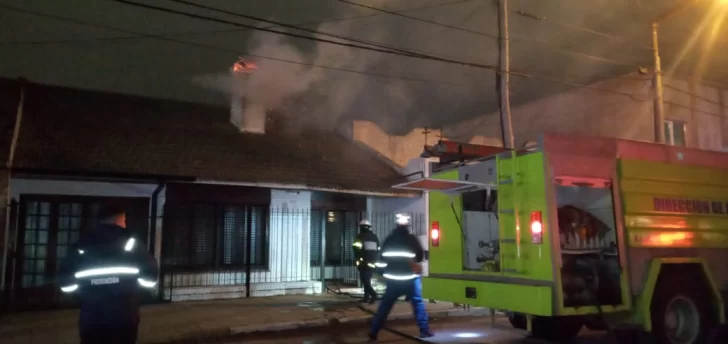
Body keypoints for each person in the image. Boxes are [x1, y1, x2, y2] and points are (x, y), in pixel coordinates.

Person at [58, 205, 159, 344]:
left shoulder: (81, 245)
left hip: (92, 317)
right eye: (124, 220)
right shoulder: (133, 244)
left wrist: (86, 291)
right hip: (124, 316)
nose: (125, 223)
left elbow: (66, 285)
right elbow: (150, 280)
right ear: (118, 220)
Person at [368, 214, 433, 341]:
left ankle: (374, 331)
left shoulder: (389, 239)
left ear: (396, 225)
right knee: (418, 304)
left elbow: (381, 259)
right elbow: (420, 257)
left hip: (393, 281)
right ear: (407, 225)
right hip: (410, 279)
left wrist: (381, 273)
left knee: (385, 307)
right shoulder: (412, 239)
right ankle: (424, 331)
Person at [352, 219, 380, 304]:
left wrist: (359, 261)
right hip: (373, 262)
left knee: (364, 280)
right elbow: (378, 249)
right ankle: (366, 297)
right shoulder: (374, 237)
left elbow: (356, 250)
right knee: (367, 280)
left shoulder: (360, 236)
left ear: (361, 227)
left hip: (363, 262)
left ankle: (373, 294)